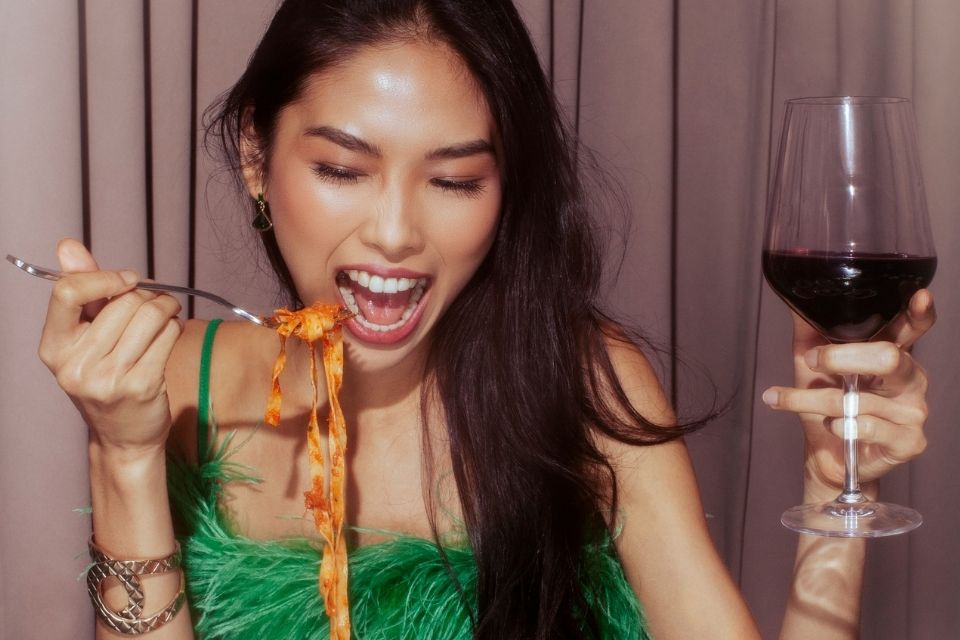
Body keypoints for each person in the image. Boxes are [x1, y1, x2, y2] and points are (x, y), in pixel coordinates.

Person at [39, 1, 935, 638]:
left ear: (506, 192)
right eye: (343, 170)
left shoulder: (582, 380)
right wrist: (121, 455)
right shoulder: (171, 384)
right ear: (254, 157)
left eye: (455, 180)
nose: (395, 234)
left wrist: (832, 493)